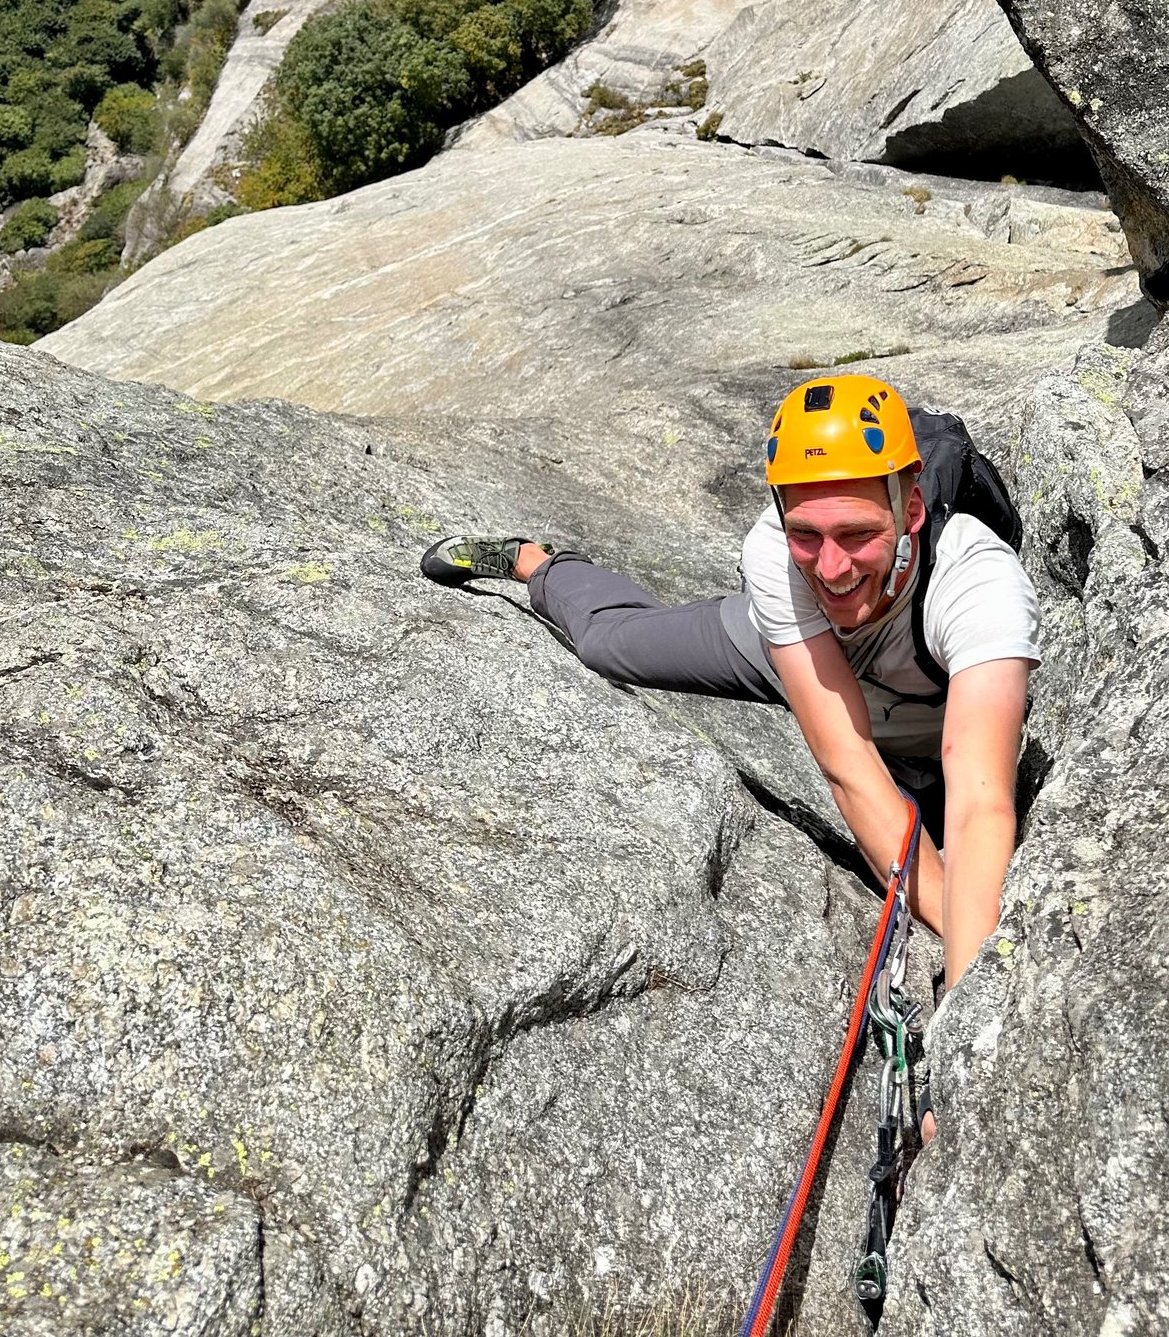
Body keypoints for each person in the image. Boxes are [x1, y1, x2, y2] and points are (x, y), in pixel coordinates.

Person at [420, 374, 1039, 993]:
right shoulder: (775, 554)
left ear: (910, 511)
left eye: (857, 534)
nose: (831, 566)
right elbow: (847, 763)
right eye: (806, 535)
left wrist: (968, 999)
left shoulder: (976, 583)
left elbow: (978, 808)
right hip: (800, 658)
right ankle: (538, 563)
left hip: (917, 730)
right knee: (607, 645)